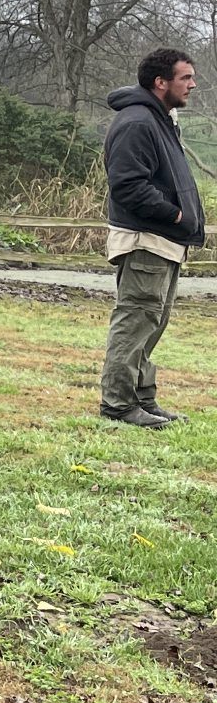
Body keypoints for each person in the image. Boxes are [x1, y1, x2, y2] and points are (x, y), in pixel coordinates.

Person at [99, 48, 203, 428]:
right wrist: (175, 214)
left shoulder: (161, 119)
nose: (193, 85)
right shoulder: (138, 122)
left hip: (164, 241)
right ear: (161, 82)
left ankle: (143, 397)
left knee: (152, 322)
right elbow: (128, 186)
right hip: (146, 241)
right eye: (185, 78)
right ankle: (119, 406)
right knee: (135, 321)